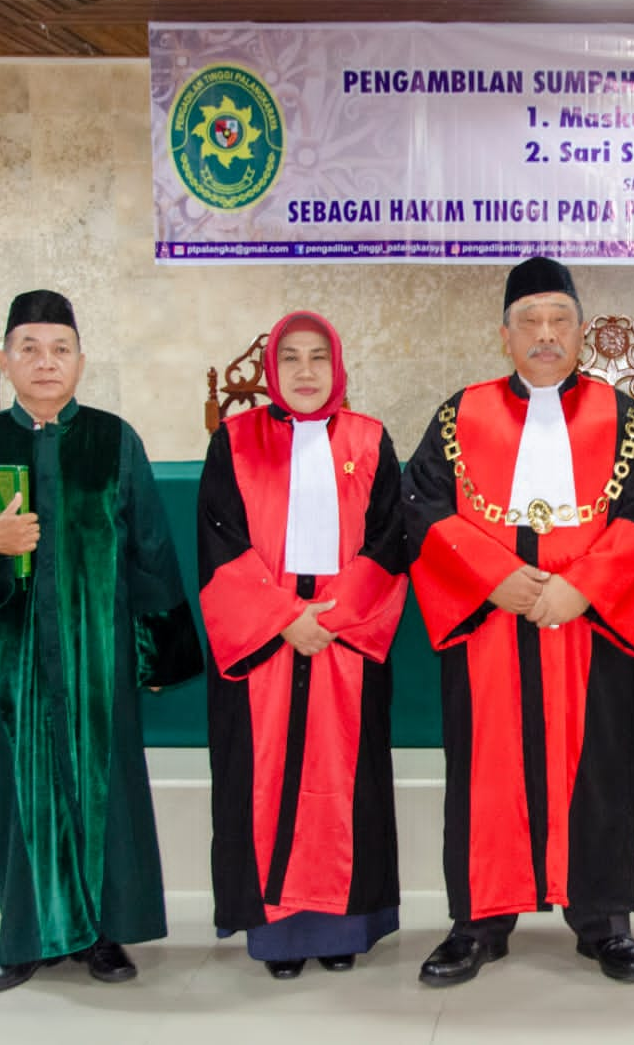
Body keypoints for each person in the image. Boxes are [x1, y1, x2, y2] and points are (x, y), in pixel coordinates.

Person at [0, 290, 202, 994]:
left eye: (60, 349)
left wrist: (159, 654)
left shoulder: (113, 440)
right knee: (15, 799)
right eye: (30, 349)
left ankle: (104, 936)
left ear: (81, 361)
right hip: (5, 666)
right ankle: (25, 939)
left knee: (105, 797)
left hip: (95, 659)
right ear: (4, 360)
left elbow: (151, 552)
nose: (46, 362)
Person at [402, 257, 634, 986]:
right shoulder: (460, 415)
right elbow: (422, 507)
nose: (546, 335)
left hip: (589, 631)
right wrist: (495, 581)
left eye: (560, 321)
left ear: (582, 332)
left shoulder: (624, 419)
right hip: (491, 629)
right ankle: (479, 921)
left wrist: (583, 588)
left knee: (603, 770)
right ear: (504, 335)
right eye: (530, 322)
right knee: (482, 773)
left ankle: (605, 921)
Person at [198, 310, 407, 980]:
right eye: (292, 358)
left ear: (338, 365)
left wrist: (333, 617)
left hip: (345, 643)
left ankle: (345, 926)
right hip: (266, 642)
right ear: (272, 370)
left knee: (347, 785)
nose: (308, 371)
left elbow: (389, 544)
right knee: (265, 784)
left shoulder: (371, 441)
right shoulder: (233, 441)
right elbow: (218, 543)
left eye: (320, 357)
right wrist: (283, 618)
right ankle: (279, 938)